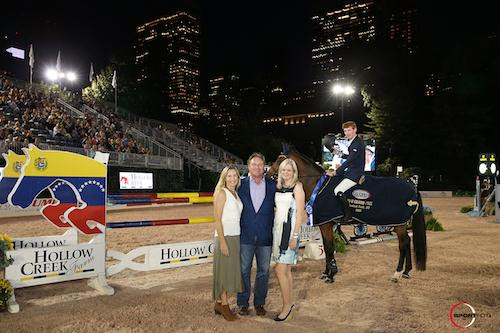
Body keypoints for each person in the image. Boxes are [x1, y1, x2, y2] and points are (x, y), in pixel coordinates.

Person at [237, 152, 277, 316]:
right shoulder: (240, 185)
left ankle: (259, 303)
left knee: (263, 272)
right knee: (244, 271)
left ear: (264, 166)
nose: (257, 167)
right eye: (254, 164)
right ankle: (242, 303)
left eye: (260, 165)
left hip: (265, 236)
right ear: (249, 166)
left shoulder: (273, 185)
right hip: (245, 236)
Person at [272, 158, 306, 322]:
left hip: (289, 233)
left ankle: (286, 307)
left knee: (279, 270)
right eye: (283, 170)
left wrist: (295, 237)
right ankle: (290, 304)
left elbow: (301, 214)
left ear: (294, 172)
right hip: (278, 232)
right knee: (285, 271)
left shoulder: (297, 187)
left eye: (289, 170)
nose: (286, 172)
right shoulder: (280, 187)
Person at [212, 165, 244, 321]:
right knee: (224, 273)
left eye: (235, 176)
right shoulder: (222, 193)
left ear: (238, 178)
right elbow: (217, 220)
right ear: (224, 178)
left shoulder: (235, 194)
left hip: (235, 236)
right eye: (229, 176)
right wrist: (223, 242)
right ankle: (225, 306)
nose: (232, 179)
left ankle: (218, 303)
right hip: (225, 237)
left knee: (228, 271)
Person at [327, 121, 365, 222]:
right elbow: (351, 157)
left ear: (355, 129)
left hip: (355, 174)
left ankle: (348, 216)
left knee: (337, 191)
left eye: (349, 130)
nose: (347, 133)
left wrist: (336, 172)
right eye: (345, 131)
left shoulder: (357, 143)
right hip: (350, 172)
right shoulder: (353, 142)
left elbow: (349, 161)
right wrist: (338, 153)